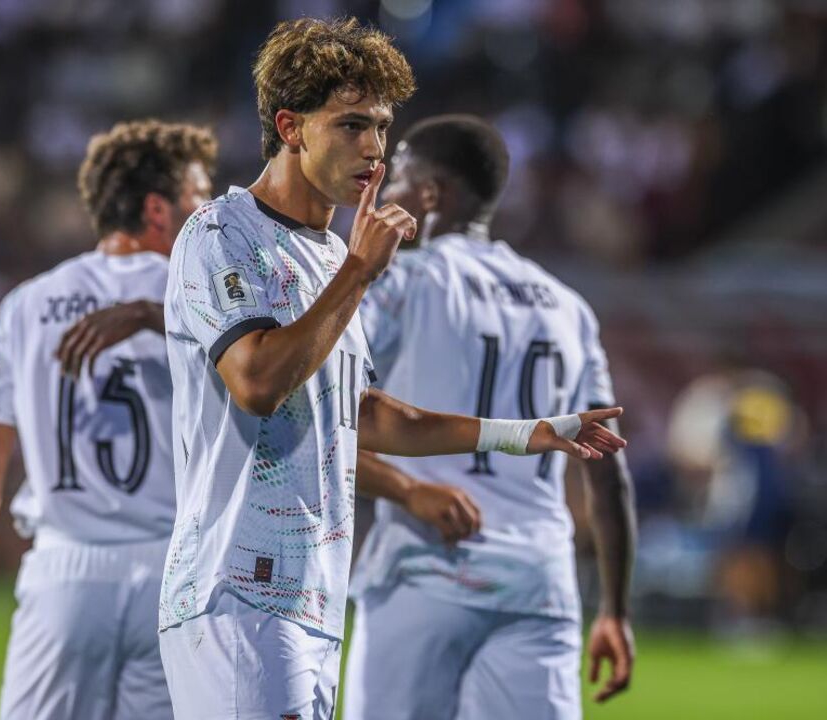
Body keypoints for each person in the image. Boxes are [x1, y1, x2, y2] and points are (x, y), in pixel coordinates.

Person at [156, 19, 627, 720]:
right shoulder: (224, 233)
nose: (374, 150)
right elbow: (255, 383)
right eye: (351, 126)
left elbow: (367, 414)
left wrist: (527, 432)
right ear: (291, 127)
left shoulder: (325, 254)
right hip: (236, 586)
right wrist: (358, 272)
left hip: (313, 591)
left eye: (380, 127)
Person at [343, 115, 637, 720]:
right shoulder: (567, 305)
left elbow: (325, 409)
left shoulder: (405, 280)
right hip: (538, 581)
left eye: (397, 176)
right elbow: (607, 465)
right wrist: (614, 608)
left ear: (431, 193)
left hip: (426, 569)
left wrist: (405, 490)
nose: (385, 188)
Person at [0, 119, 215, 719]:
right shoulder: (206, 299)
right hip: (178, 574)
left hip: (64, 573)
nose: (210, 212)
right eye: (199, 197)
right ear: (157, 209)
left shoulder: (28, 304)